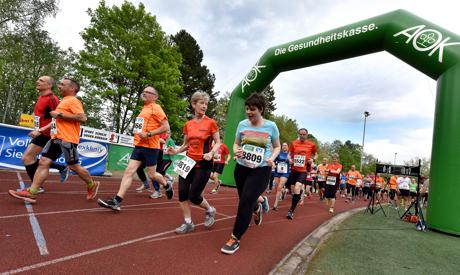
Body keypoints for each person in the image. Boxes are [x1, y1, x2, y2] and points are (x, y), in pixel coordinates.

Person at [9, 78, 99, 203]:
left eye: (62, 84)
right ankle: (32, 192)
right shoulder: (63, 101)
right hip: (56, 137)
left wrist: (60, 115)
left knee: (73, 166)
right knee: (44, 162)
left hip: (67, 138)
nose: (59, 86)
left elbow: (82, 117)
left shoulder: (73, 100)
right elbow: (55, 121)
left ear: (72, 88)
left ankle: (91, 183)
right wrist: (42, 129)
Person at [220, 92, 280, 254]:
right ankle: (258, 207)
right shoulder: (242, 124)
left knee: (245, 201)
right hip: (241, 168)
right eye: (247, 108)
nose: (249, 112)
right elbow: (236, 144)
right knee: (246, 198)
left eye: (252, 109)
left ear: (261, 109)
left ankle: (235, 238)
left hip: (261, 169)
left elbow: (277, 146)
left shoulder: (271, 126)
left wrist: (272, 159)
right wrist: (236, 151)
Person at [97, 86, 172, 211]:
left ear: (155, 96)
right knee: (128, 171)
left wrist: (149, 134)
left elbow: (166, 127)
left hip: (151, 147)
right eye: (144, 91)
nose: (144, 93)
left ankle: (166, 184)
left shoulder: (156, 108)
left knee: (152, 174)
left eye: (148, 92)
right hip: (139, 146)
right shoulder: (144, 108)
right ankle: (117, 201)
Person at [167, 91, 220, 234]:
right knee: (182, 193)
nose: (204, 106)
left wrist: (211, 153)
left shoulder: (211, 123)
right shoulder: (188, 124)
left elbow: (218, 142)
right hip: (187, 161)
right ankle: (188, 223)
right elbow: (185, 145)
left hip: (204, 163)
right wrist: (176, 151)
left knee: (195, 197)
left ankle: (210, 210)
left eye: (206, 104)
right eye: (201, 103)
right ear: (194, 104)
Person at [21, 76, 70, 193]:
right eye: (38, 79)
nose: (37, 81)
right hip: (41, 133)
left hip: (49, 134)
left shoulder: (52, 99)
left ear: (49, 85)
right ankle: (60, 168)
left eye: (41, 81)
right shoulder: (41, 97)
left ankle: (36, 187)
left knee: (28, 158)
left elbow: (59, 119)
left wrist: (40, 130)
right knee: (28, 158)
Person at [286, 128, 317, 220]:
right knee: (293, 190)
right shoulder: (294, 143)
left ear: (307, 135)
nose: (302, 136)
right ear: (298, 134)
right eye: (301, 134)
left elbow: (316, 154)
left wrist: (313, 159)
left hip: (304, 170)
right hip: (294, 170)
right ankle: (299, 194)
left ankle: (291, 211)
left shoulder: (311, 144)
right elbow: (289, 154)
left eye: (304, 134)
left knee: (297, 187)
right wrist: (290, 159)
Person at [272, 142, 290, 210]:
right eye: (283, 145)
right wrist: (273, 164)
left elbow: (292, 162)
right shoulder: (278, 154)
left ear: (288, 147)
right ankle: (283, 191)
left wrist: (290, 159)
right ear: (281, 147)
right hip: (277, 171)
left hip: (285, 173)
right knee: (276, 187)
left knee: (279, 187)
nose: (284, 146)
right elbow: (273, 161)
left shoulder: (289, 154)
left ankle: (275, 205)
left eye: (286, 145)